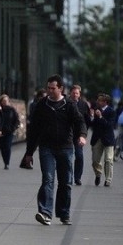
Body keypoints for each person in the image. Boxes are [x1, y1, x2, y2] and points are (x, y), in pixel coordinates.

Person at [24, 74, 87, 226]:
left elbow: (79, 122)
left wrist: (82, 136)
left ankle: (64, 213)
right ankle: (45, 213)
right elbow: (34, 130)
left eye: (53, 88)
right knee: (48, 179)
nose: (50, 91)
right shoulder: (42, 105)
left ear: (61, 89)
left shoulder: (69, 105)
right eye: (48, 88)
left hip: (66, 148)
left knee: (65, 182)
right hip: (47, 148)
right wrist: (29, 152)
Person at [89, 93, 116, 187]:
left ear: (105, 102)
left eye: (100, 100)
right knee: (95, 160)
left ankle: (108, 179)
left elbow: (109, 126)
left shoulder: (111, 111)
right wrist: (92, 116)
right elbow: (93, 124)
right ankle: (98, 173)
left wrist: (100, 117)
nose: (98, 102)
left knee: (108, 160)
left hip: (108, 139)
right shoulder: (97, 110)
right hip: (97, 138)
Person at [69, 84, 92, 185]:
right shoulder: (66, 102)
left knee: (79, 155)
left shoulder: (83, 105)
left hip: (79, 135)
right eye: (73, 93)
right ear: (71, 93)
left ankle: (77, 177)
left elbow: (87, 120)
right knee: (68, 156)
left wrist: (84, 134)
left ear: (79, 94)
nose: (75, 95)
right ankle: (68, 177)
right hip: (68, 134)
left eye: (77, 93)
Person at [0, 94, 20, 169]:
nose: (5, 102)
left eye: (6, 101)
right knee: (2, 147)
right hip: (1, 132)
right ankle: (5, 161)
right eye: (3, 101)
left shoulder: (12, 110)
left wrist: (13, 128)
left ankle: (7, 163)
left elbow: (16, 120)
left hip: (9, 132)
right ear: (1, 102)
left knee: (7, 146)